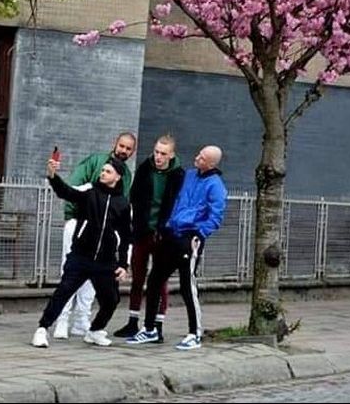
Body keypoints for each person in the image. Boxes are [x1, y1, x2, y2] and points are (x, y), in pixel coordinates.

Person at [127, 145, 227, 351]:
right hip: (171, 233)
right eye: (198, 154)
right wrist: (166, 225)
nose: (197, 158)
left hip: (190, 237)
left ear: (211, 164)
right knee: (154, 279)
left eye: (202, 158)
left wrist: (199, 234)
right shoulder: (188, 175)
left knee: (187, 285)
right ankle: (150, 329)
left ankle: (194, 333)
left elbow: (216, 216)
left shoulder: (216, 185)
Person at [31, 156, 132, 348]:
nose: (103, 173)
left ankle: (95, 331)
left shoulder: (123, 204)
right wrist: (52, 175)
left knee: (111, 300)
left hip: (105, 262)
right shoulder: (89, 193)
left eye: (108, 171)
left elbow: (126, 236)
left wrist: (123, 264)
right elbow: (66, 192)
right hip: (81, 257)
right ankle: (42, 329)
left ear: (118, 177)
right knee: (63, 292)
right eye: (103, 170)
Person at [53, 132, 136, 339]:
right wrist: (76, 216)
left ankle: (82, 319)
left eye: (128, 148)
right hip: (80, 224)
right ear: (115, 144)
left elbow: (119, 202)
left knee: (93, 277)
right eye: (121, 146)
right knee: (70, 273)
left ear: (132, 152)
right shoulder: (95, 161)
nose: (123, 150)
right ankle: (62, 319)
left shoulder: (126, 174)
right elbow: (74, 187)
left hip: (103, 232)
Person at [112, 134, 184, 342]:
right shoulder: (145, 168)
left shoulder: (178, 175)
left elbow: (177, 203)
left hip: (163, 233)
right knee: (138, 277)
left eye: (163, 154)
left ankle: (156, 324)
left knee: (159, 280)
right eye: (156, 152)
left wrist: (168, 227)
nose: (158, 157)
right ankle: (133, 320)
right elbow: (134, 196)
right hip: (142, 230)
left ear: (171, 155)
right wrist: (136, 223)